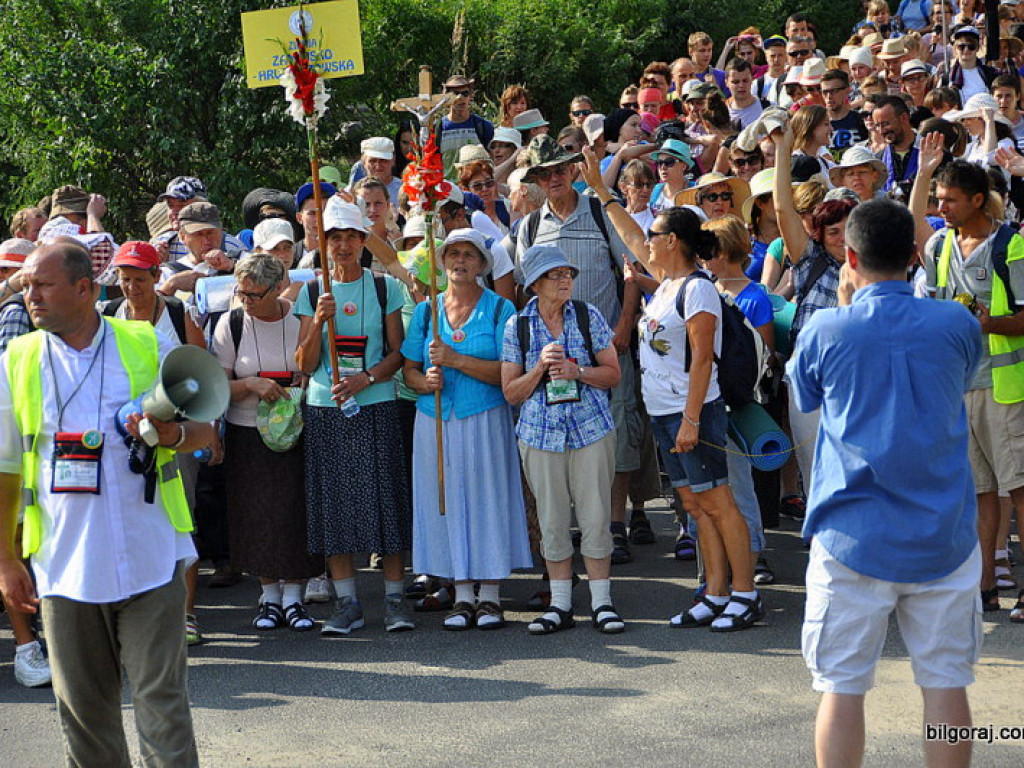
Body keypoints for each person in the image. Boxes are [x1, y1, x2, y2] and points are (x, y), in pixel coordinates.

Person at [0, 241, 212, 766]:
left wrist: (172, 435)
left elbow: (204, 428)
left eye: (41, 284)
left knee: (163, 709)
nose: (31, 296)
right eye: (26, 286)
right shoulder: (17, 360)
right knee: (86, 721)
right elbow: (4, 469)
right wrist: (6, 560)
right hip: (66, 567)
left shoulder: (142, 344)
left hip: (150, 558)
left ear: (86, 289)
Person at [789, 199, 982, 768]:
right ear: (915, 254)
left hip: (853, 532)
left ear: (849, 255)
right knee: (946, 684)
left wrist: (846, 310)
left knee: (841, 686)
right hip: (942, 532)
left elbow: (806, 396)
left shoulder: (827, 326)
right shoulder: (957, 322)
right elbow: (960, 376)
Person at [516, 136, 645, 566]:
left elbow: (631, 270)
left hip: (606, 345)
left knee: (619, 432)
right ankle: (577, 527)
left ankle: (614, 522)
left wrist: (624, 325)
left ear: (573, 169)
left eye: (559, 169)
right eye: (544, 173)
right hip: (553, 357)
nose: (553, 178)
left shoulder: (598, 210)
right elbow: (523, 290)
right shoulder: (531, 227)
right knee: (565, 437)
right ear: (535, 180)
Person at [294, 198, 414, 635]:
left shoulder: (384, 287)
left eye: (350, 237)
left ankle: (396, 599)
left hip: (376, 402)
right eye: (334, 238)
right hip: (327, 409)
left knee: (387, 501)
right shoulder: (310, 292)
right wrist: (316, 321)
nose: (342, 246)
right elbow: (305, 365)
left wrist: (365, 378)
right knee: (334, 505)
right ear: (322, 244)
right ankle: (347, 602)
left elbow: (399, 352)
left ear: (363, 241)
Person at [401, 229, 531, 630]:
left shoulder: (499, 309)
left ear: (482, 264)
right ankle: (459, 592)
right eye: (452, 254)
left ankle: (489, 596)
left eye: (469, 255)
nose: (460, 261)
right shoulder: (427, 311)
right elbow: (409, 370)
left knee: (486, 498)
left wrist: (456, 360)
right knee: (444, 501)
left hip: (485, 416)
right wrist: (425, 383)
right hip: (435, 418)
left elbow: (510, 374)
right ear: (441, 263)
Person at [915, 154, 1024, 614]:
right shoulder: (939, 247)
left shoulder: (1010, 246)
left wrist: (986, 323)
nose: (942, 208)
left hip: (1004, 389)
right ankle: (986, 590)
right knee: (978, 494)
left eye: (951, 201)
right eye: (939, 200)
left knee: (1018, 490)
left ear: (978, 200)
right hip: (956, 389)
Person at [501, 245, 625, 635]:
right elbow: (511, 392)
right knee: (552, 521)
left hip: (590, 429)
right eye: (555, 275)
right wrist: (539, 366)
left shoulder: (588, 315)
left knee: (595, 517)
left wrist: (577, 370)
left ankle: (602, 603)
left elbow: (613, 374)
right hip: (539, 436)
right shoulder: (516, 327)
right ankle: (560, 605)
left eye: (567, 273)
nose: (565, 280)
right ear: (535, 284)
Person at [213, 253, 322, 632]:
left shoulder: (299, 318)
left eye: (254, 295)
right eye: (241, 292)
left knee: (295, 510)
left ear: (278, 288)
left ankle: (295, 597)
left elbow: (315, 367)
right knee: (255, 512)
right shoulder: (231, 323)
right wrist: (250, 385)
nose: (246, 301)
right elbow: (217, 387)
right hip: (246, 430)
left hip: (296, 427)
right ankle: (268, 596)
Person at [774, 125, 858, 490]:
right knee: (814, 469)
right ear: (820, 233)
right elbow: (781, 207)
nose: (841, 238)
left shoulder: (873, 267)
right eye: (833, 230)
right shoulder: (809, 260)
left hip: (855, 378)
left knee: (852, 468)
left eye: (849, 228)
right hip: (808, 376)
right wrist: (782, 149)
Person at [437, 75, 495, 177]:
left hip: (476, 187)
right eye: (455, 94)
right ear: (446, 97)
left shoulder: (483, 126)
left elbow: (492, 158)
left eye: (465, 93)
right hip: (448, 189)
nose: (460, 98)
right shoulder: (438, 128)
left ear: (470, 96)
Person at [872, 94, 920, 194]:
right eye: (877, 126)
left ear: (904, 118)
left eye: (885, 124)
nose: (881, 131)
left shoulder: (933, 154)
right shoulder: (877, 160)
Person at [650, 139, 695, 212]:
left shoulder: (696, 191)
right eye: (659, 162)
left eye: (669, 162)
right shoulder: (656, 190)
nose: (663, 167)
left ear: (684, 166)